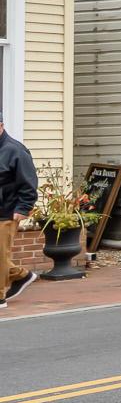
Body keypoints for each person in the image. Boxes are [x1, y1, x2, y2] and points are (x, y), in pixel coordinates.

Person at [0, 118, 38, 305]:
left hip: (7, 211)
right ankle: (22, 275)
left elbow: (29, 183)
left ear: (1, 126)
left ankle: (0, 298)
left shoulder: (16, 150)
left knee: (0, 255)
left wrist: (23, 208)